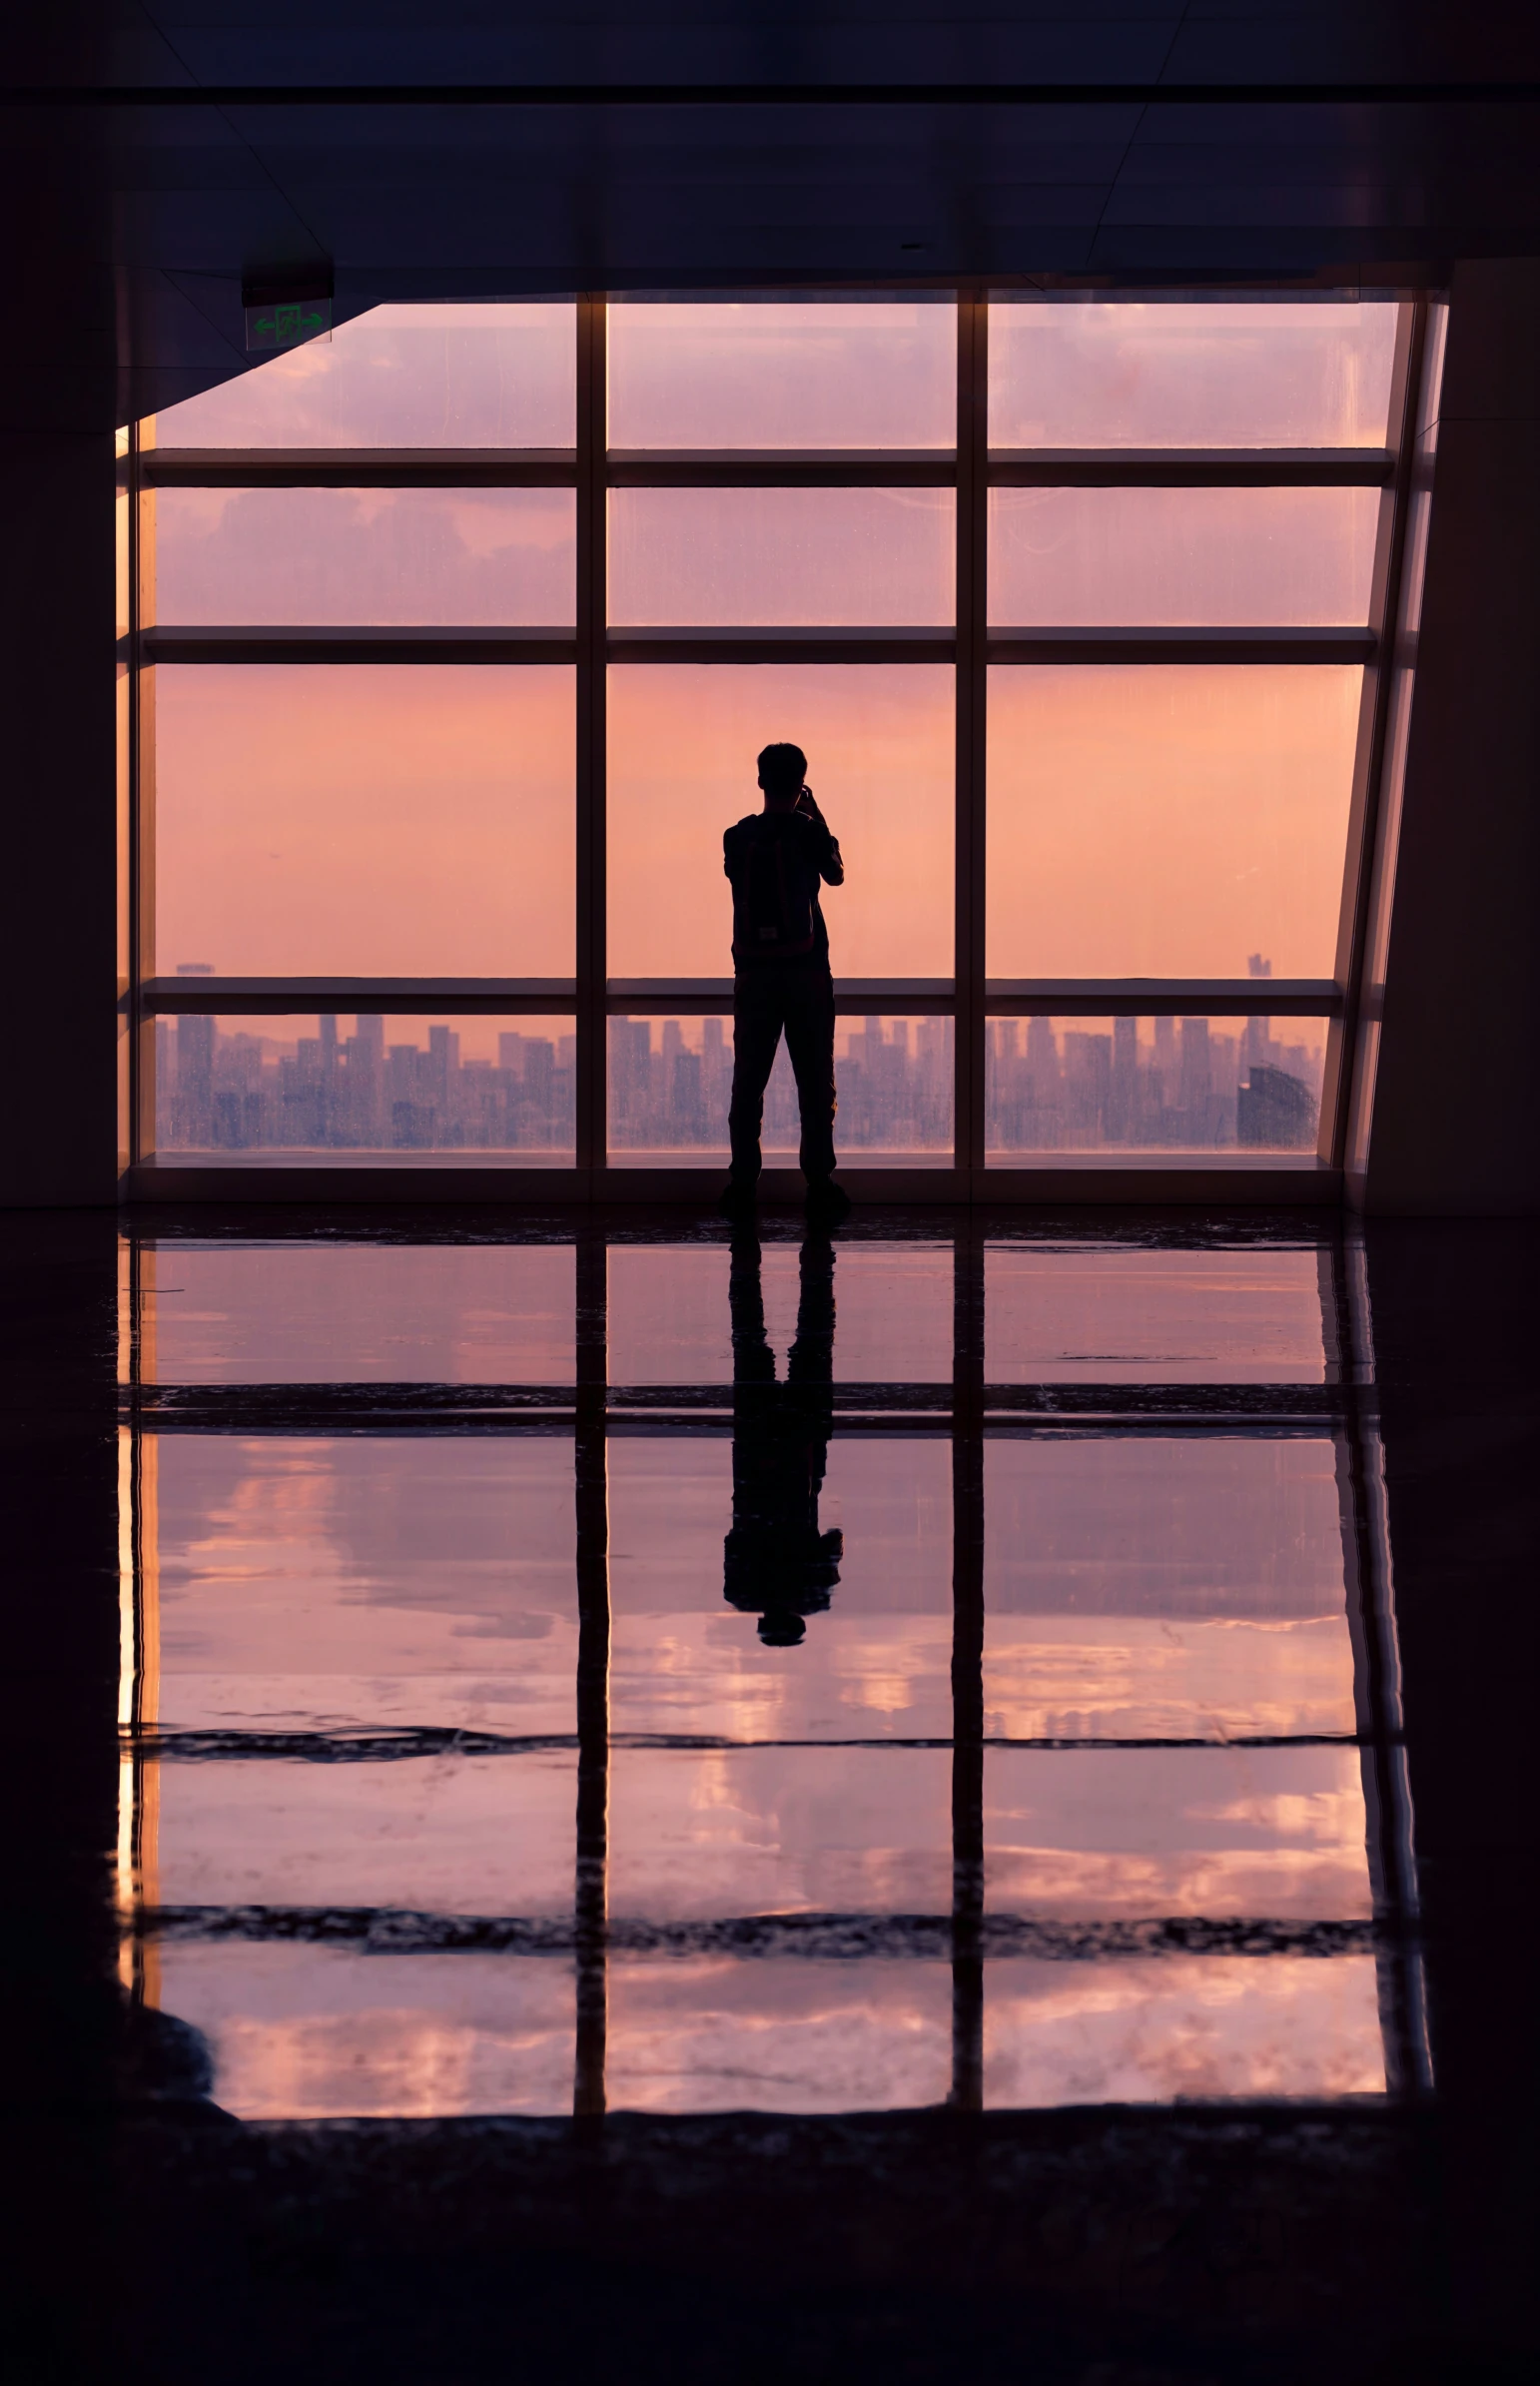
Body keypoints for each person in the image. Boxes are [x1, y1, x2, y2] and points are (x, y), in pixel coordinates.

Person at [720, 741, 850, 1218]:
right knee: (815, 1083)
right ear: (801, 783)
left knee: (748, 1083)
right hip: (808, 976)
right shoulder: (808, 832)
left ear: (759, 781)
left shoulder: (737, 837)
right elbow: (835, 874)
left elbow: (736, 879)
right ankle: (819, 1185)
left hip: (754, 976)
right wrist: (816, 818)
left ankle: (741, 1186)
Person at [722, 1222, 843, 1647]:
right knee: (749, 1339)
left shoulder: (812, 1594)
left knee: (813, 1339)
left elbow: (833, 1543)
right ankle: (745, 1259)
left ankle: (816, 1262)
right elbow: (733, 1538)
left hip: (803, 1453)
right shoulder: (739, 1590)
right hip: (753, 1452)